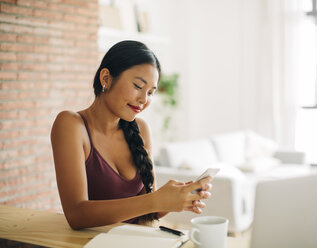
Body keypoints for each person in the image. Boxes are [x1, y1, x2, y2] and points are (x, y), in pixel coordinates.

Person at [51, 40, 212, 230]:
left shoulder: (141, 129)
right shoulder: (71, 125)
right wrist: (156, 200)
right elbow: (76, 215)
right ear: (106, 78)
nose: (144, 100)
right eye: (138, 86)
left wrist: (176, 198)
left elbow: (147, 211)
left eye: (151, 92)